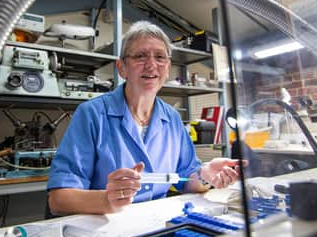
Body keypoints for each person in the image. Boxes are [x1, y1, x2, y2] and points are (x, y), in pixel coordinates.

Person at [47, 21, 243, 216]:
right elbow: (58, 199)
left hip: (154, 223)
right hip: (103, 227)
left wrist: (205, 175)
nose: (151, 65)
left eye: (159, 57)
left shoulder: (173, 119)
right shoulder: (92, 114)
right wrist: (106, 200)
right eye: (140, 56)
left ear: (167, 69)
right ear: (121, 68)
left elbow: (186, 178)